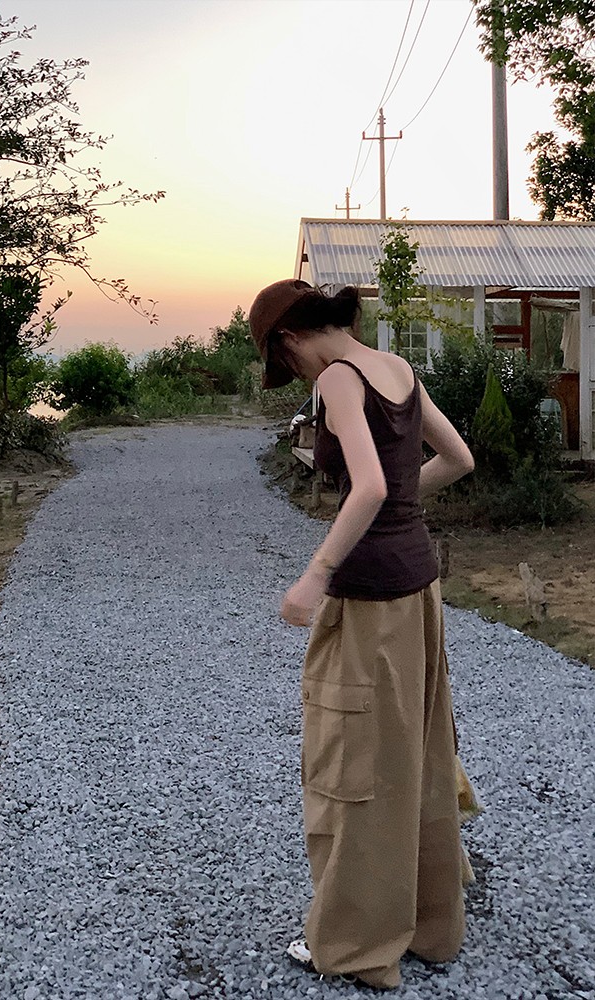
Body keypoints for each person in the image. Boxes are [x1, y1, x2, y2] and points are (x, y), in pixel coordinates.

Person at [248, 279, 476, 990]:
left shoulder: (340, 379)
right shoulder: (396, 368)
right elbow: (457, 459)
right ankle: (432, 927)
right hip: (419, 588)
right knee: (418, 754)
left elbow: (371, 487)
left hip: (370, 598)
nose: (295, 376)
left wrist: (314, 576)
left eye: (284, 363)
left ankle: (355, 945)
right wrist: (399, 502)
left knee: (353, 768)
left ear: (290, 339)